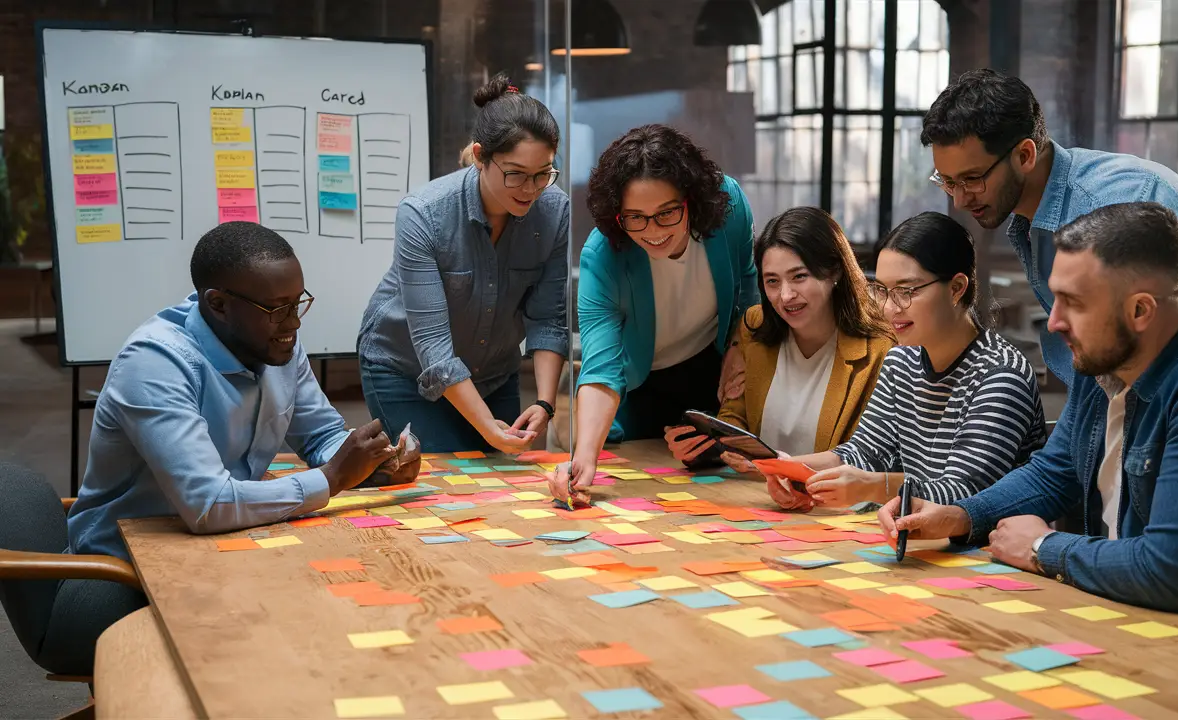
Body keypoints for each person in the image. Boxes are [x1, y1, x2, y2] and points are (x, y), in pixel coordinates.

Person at [880, 203, 1178, 620]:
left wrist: (1042, 548)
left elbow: (1174, 571)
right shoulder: (1103, 362)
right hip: (1120, 613)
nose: (1053, 323)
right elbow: (1051, 474)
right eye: (1055, 299)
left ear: (1141, 310)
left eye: (1074, 303)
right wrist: (959, 517)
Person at [53, 222, 418, 674]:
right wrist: (333, 477)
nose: (294, 323)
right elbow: (208, 505)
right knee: (309, 641)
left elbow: (321, 436)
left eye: (299, 302)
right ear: (218, 305)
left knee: (383, 599)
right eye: (277, 308)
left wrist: (370, 465)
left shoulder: (276, 343)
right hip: (124, 576)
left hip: (228, 547)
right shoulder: (155, 364)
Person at [921, 68, 1178, 387]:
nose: (960, 200)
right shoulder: (1031, 217)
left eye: (972, 179)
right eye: (948, 182)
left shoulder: (1124, 199)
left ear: (1025, 155)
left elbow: (1152, 347)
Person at [765, 212, 1047, 512]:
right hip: (918, 539)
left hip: (988, 548)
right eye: (883, 290)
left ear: (956, 288)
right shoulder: (902, 360)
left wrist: (873, 486)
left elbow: (964, 494)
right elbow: (863, 453)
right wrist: (789, 469)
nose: (889, 308)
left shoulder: (1000, 375)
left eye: (906, 291)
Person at [359, 73, 568, 455]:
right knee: (439, 483)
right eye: (516, 174)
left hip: (493, 372)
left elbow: (548, 318)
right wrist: (488, 428)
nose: (531, 189)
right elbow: (433, 348)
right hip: (405, 371)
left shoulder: (554, 211)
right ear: (479, 156)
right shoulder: (423, 213)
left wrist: (544, 402)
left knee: (505, 487)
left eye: (543, 174)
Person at [549, 124, 758, 506]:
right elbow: (601, 365)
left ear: (691, 201)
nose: (652, 231)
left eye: (666, 214)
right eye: (636, 218)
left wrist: (739, 345)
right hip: (642, 383)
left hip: (713, 368)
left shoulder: (728, 205)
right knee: (650, 491)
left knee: (722, 492)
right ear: (618, 217)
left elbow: (748, 282)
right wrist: (583, 457)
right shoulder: (603, 256)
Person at [663, 207, 894, 470]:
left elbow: (871, 457)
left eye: (799, 277)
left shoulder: (880, 351)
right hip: (755, 498)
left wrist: (780, 467)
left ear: (835, 272)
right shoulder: (754, 327)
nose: (785, 296)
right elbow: (735, 418)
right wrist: (707, 448)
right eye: (772, 281)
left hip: (831, 507)